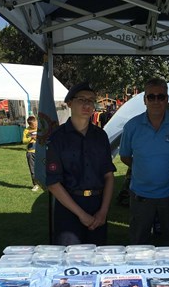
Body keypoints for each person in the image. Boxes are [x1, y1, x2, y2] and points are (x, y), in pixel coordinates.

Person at [119, 77, 169, 246]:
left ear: (167, 99)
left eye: (160, 96)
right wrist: (142, 168)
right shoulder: (132, 126)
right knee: (138, 243)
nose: (156, 101)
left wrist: (167, 166)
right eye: (151, 97)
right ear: (145, 100)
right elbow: (124, 156)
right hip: (140, 195)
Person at [46, 82, 116, 246]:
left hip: (97, 207)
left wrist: (103, 212)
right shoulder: (57, 138)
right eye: (81, 99)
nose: (87, 104)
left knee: (98, 261)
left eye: (91, 100)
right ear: (69, 103)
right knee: (70, 263)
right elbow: (53, 183)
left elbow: (109, 176)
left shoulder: (100, 136)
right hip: (69, 208)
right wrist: (81, 215)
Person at [23, 116, 39, 191]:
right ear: (30, 125)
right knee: (33, 170)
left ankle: (46, 183)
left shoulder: (41, 128)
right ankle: (35, 184)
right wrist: (31, 138)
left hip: (40, 152)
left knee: (43, 167)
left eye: (36, 123)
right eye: (33, 125)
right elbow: (24, 141)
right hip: (30, 152)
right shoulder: (26, 130)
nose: (35, 125)